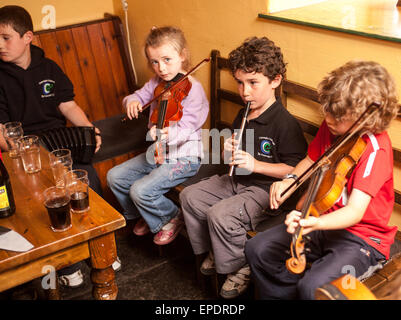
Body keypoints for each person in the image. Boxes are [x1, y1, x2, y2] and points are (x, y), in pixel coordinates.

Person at [245, 60, 399, 300]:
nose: (328, 119)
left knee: (314, 287)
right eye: (327, 111)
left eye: (338, 117)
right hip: (320, 218)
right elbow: (311, 159)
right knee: (257, 249)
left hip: (362, 238)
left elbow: (355, 212)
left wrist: (314, 224)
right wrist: (290, 180)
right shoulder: (334, 127)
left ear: (365, 119)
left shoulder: (375, 149)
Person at [179, 37, 308, 299]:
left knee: (221, 214)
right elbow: (235, 157)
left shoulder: (284, 123)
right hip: (238, 181)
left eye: (253, 83)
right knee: (189, 196)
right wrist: (229, 151)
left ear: (275, 81)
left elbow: (296, 171)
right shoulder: (244, 113)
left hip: (266, 189)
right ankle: (215, 251)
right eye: (240, 82)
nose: (244, 91)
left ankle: (242, 265)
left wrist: (256, 164)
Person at [0, 5, 119, 289]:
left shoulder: (49, 67)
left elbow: (68, 105)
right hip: (21, 152)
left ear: (27, 36)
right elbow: (2, 132)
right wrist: (14, 145)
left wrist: (89, 131)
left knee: (86, 180)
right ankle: (68, 263)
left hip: (60, 144)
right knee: (39, 198)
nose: (0, 45)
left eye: (5, 37)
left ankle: (100, 253)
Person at [107, 26, 209, 246]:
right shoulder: (156, 83)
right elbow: (137, 96)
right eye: (154, 62)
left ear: (182, 56)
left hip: (185, 157)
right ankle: (146, 214)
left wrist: (165, 133)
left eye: (167, 60)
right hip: (158, 152)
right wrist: (131, 102)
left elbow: (189, 127)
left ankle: (171, 216)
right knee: (115, 177)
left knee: (140, 190)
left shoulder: (194, 90)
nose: (161, 68)